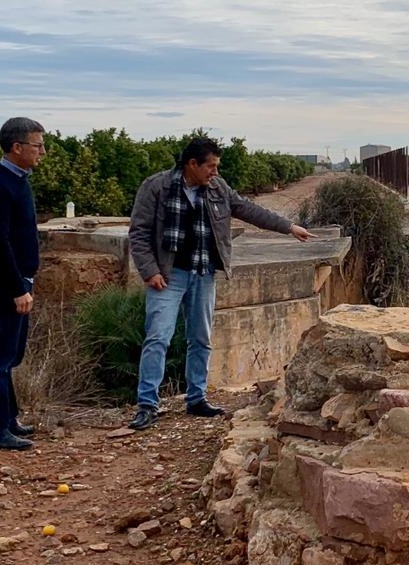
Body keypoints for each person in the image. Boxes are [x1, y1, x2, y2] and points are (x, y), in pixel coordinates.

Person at [125, 136, 312, 430]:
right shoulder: (156, 187)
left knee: (201, 338)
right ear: (192, 164)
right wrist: (149, 271)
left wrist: (288, 227)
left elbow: (249, 210)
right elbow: (138, 232)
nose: (215, 172)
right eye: (210, 166)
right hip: (167, 276)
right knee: (158, 337)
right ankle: (147, 404)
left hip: (203, 273)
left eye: (216, 166)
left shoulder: (218, 188)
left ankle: (196, 398)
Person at [0, 117, 45, 450]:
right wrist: (18, 287)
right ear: (17, 148)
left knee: (11, 356)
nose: (42, 152)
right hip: (4, 283)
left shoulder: (19, 180)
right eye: (37, 145)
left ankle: (8, 418)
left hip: (19, 279)